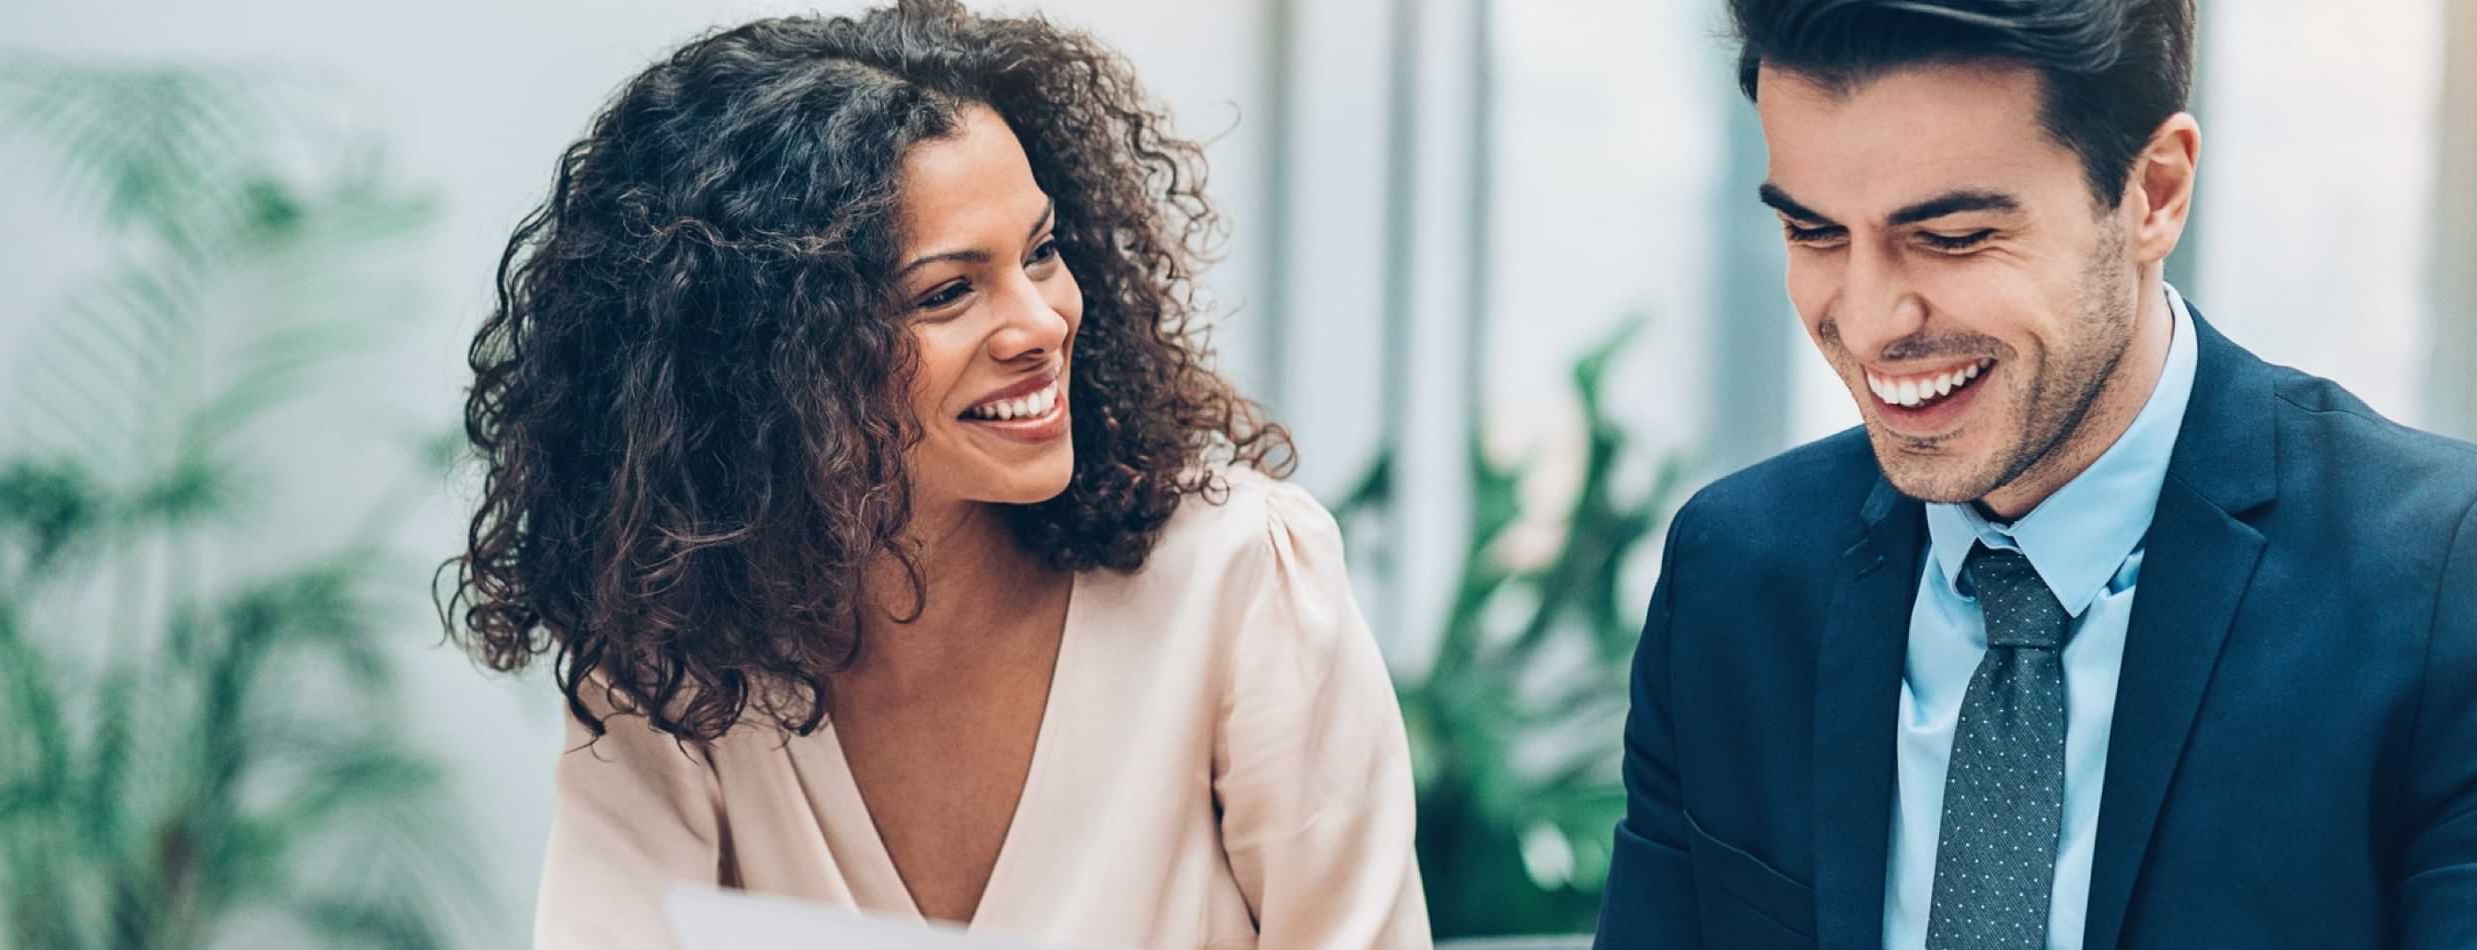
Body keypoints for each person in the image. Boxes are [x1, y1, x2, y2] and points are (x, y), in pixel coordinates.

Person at [442, 3, 1431, 947]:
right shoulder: (676, 663)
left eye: (1041, 253)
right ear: (768, 355)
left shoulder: (1242, 575)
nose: (1043, 323)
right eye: (950, 290)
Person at [1596, 0, 2477, 947]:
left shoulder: (2436, 584)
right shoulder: (1733, 574)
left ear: (2155, 193)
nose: (1869, 319)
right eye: (1815, 234)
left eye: (1953, 236)